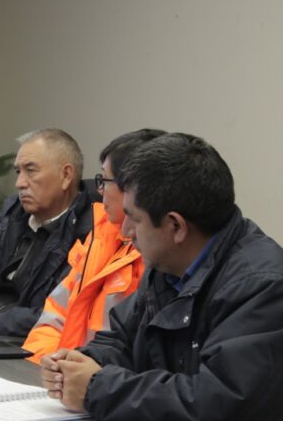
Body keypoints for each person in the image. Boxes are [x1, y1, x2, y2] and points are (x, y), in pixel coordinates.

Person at [40, 133, 283, 420]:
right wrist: (81, 363)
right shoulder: (167, 266)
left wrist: (97, 388)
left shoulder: (263, 285)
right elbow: (120, 341)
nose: (126, 231)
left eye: (135, 218)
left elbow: (217, 402)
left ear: (176, 226)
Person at [22, 129, 165, 363]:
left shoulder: (157, 252)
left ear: (134, 187)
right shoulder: (98, 235)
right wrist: (46, 364)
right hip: (61, 381)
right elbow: (54, 315)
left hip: (100, 384)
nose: (98, 190)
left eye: (104, 180)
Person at [0, 128, 95, 337]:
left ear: (66, 175)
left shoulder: (89, 234)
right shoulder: (13, 218)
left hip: (27, 349)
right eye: (18, 171)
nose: (19, 183)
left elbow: (59, 313)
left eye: (30, 170)